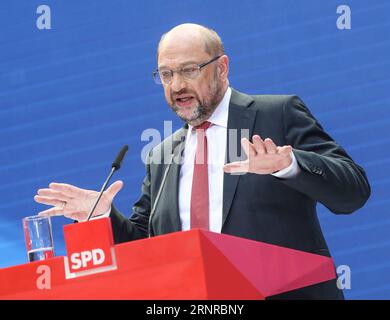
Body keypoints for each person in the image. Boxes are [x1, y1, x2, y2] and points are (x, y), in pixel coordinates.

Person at [34, 23, 370, 299]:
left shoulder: (275, 115)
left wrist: (290, 164)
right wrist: (103, 215)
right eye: (165, 74)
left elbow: (353, 192)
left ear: (221, 68)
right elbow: (146, 246)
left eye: (189, 70)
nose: (176, 85)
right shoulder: (162, 154)